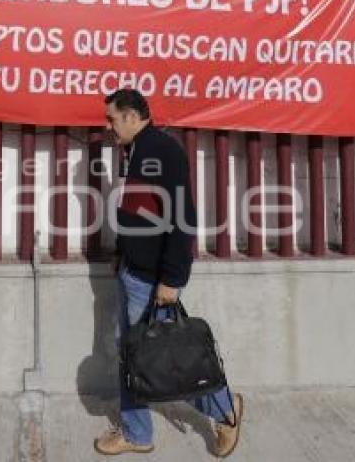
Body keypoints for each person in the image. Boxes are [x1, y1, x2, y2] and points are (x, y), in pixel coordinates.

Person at [94, 89, 243, 457]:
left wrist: (173, 279)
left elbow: (182, 218)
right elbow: (140, 212)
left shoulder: (162, 150)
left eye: (112, 118)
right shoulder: (137, 151)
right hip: (133, 270)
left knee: (161, 361)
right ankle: (138, 433)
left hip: (151, 279)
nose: (108, 126)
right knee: (133, 356)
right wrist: (122, 253)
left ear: (131, 116)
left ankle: (224, 410)